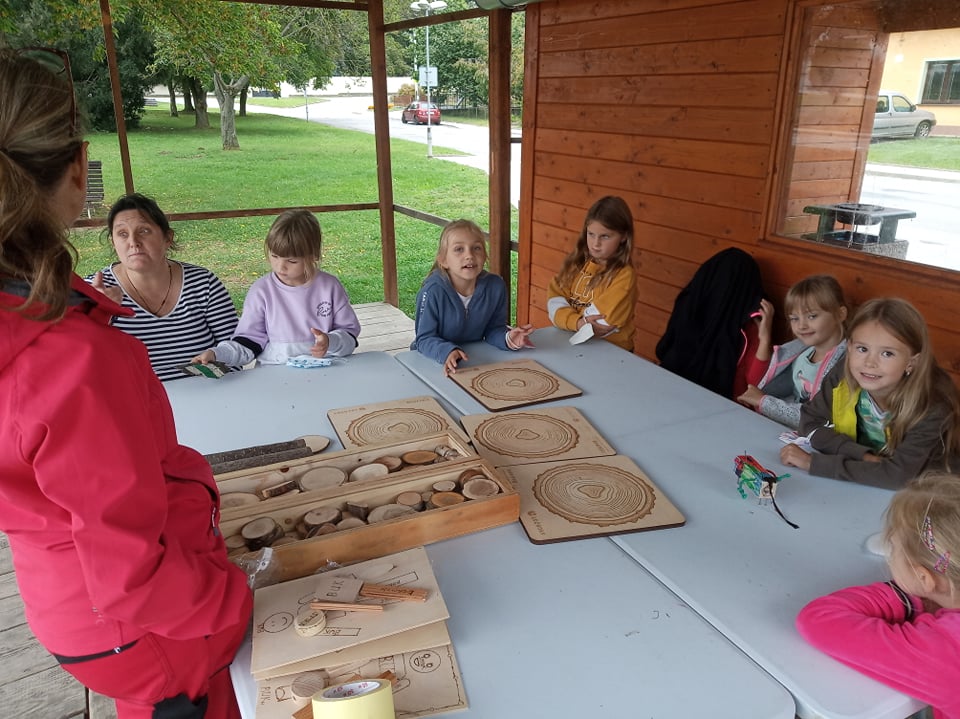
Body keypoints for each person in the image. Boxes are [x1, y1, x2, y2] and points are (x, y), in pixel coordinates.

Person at [0, 48, 251, 719]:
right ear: (79, 167)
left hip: (72, 606)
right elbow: (132, 577)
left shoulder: (29, 319)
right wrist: (237, 599)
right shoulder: (73, 357)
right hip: (146, 633)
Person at [796, 472, 960, 719]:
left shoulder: (944, 652)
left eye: (892, 548)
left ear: (924, 578)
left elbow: (819, 618)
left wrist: (907, 597)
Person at [781, 298, 960, 489]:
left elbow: (897, 476)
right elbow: (809, 421)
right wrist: (862, 455)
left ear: (911, 362)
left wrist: (814, 464)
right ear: (849, 348)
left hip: (933, 492)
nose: (869, 363)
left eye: (887, 353)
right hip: (866, 483)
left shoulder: (933, 404)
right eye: (862, 349)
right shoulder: (844, 374)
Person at [86, 193, 238, 381]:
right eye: (122, 234)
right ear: (113, 242)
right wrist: (96, 316)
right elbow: (78, 366)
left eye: (144, 231)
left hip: (208, 394)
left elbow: (237, 351)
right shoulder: (94, 291)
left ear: (167, 238)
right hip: (133, 398)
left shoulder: (203, 283)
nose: (133, 242)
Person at [193, 209, 360, 367]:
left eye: (292, 261)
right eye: (274, 256)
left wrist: (330, 342)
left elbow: (349, 335)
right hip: (274, 374)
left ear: (314, 255)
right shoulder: (261, 291)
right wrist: (217, 354)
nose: (280, 267)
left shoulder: (330, 286)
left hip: (324, 371)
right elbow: (248, 341)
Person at [411, 219, 535, 376]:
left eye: (476, 248)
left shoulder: (495, 287)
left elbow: (493, 329)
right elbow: (424, 338)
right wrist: (447, 351)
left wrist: (508, 339)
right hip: (433, 363)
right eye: (459, 249)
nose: (469, 255)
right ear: (443, 260)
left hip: (475, 361)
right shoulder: (432, 292)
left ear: (485, 256)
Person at [738, 275, 848, 429]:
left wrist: (765, 402)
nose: (801, 326)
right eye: (794, 318)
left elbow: (818, 418)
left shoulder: (847, 365)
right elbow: (763, 386)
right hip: (785, 431)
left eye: (812, 316)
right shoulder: (798, 354)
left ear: (840, 314)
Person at [547, 195, 636, 351]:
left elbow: (600, 325)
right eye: (591, 234)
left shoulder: (624, 276)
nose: (596, 244)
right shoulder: (576, 263)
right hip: (576, 345)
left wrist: (567, 318)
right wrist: (578, 322)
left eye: (605, 236)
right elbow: (553, 301)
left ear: (623, 237)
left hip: (612, 352)